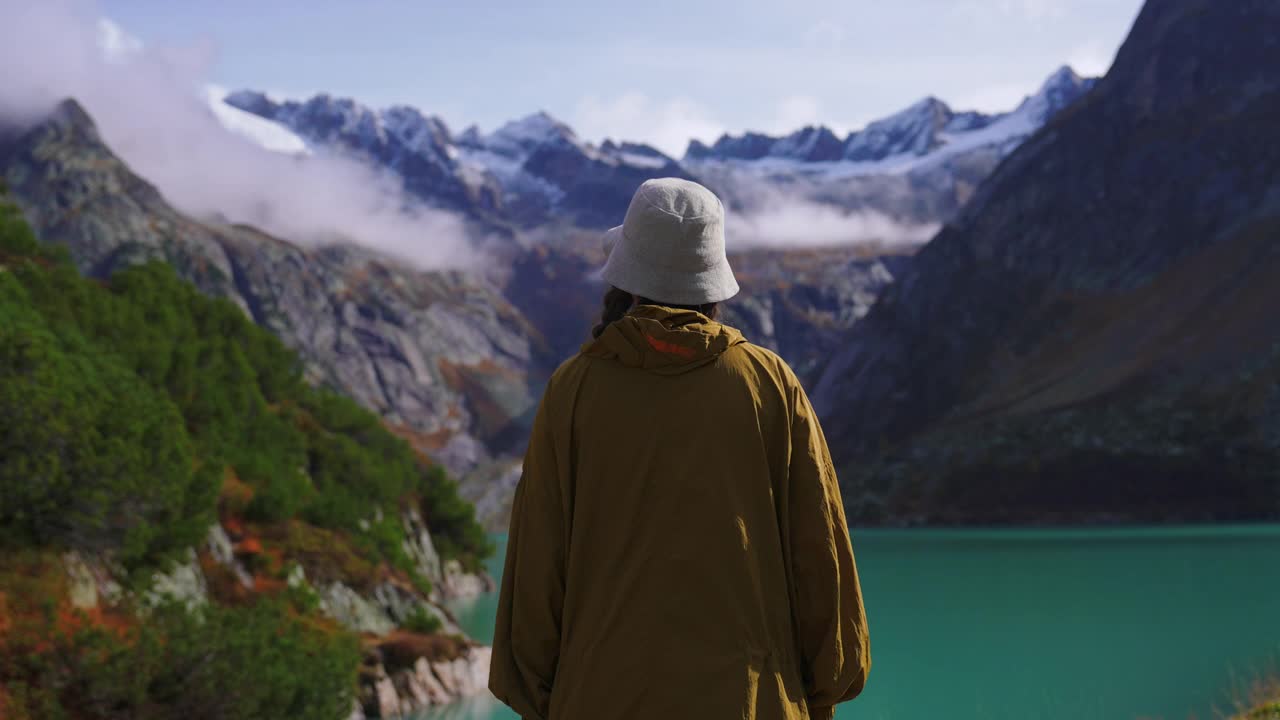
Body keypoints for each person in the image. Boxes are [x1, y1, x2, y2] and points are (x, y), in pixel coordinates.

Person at [489, 177, 870, 720]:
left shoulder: (573, 389)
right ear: (712, 286)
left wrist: (541, 692)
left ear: (626, 279)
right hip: (750, 701)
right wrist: (825, 685)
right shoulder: (768, 382)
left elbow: (537, 563)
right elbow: (820, 553)